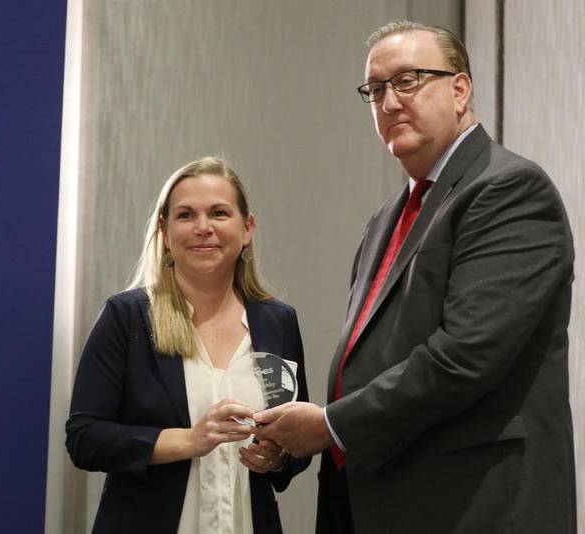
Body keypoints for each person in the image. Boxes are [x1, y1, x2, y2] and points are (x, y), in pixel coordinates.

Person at [254, 20, 577, 534]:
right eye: (376, 89)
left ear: (460, 89)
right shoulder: (387, 217)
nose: (388, 102)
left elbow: (465, 357)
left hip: (474, 503)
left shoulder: (509, 189)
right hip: (375, 494)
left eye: (408, 81)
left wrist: (331, 426)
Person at [66, 157, 310, 534]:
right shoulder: (126, 317)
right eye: (185, 215)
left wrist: (276, 457)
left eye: (219, 213)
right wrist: (189, 441)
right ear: (164, 230)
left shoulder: (278, 321)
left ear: (247, 228)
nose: (203, 228)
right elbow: (85, 439)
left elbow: (297, 440)